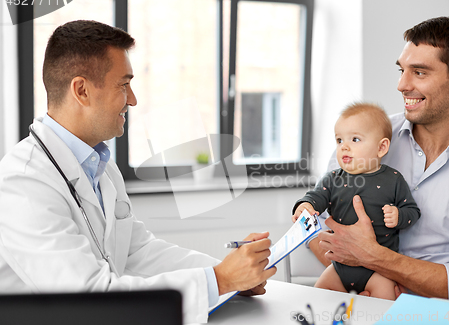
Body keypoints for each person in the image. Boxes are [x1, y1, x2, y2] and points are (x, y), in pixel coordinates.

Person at [0, 20, 276, 323]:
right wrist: (220, 280)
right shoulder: (23, 183)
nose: (132, 99)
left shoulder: (100, 166)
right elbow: (86, 299)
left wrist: (230, 273)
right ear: (81, 90)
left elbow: (139, 251)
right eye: (123, 84)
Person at [318, 17, 449, 304]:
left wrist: (377, 260)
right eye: (402, 70)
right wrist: (357, 280)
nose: (402, 85)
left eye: (419, 72)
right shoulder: (364, 138)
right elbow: (318, 232)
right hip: (358, 297)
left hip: (437, 314)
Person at [292, 103, 420, 300]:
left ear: (381, 147)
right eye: (339, 140)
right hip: (338, 267)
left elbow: (412, 211)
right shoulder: (333, 178)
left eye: (355, 139)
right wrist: (305, 206)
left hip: (378, 269)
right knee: (317, 299)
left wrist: (399, 215)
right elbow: (316, 196)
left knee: (383, 308)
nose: (344, 146)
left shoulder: (394, 179)